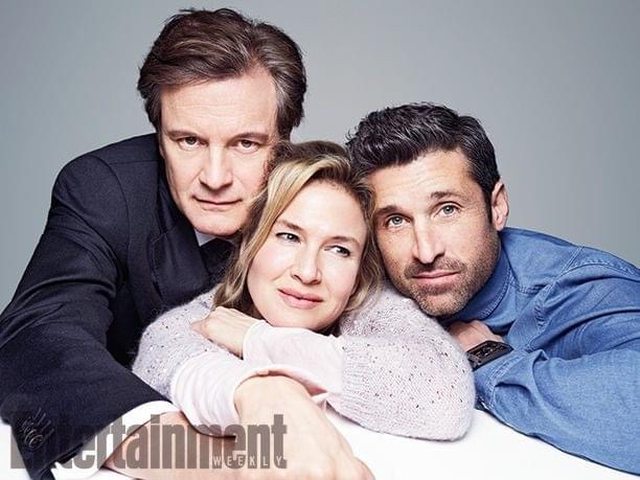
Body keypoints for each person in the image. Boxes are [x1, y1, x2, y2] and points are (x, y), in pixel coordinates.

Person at [0, 8, 368, 480]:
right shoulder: (104, 190)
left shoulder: (323, 201)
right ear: (159, 138)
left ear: (284, 143)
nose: (215, 177)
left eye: (246, 144)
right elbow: (41, 335)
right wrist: (222, 451)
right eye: (189, 141)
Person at [345, 102, 640, 474]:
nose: (426, 251)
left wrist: (487, 358)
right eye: (396, 221)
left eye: (447, 209)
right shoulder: (359, 285)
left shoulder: (583, 287)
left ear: (496, 206)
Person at [132, 141, 474, 443]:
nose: (308, 272)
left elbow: (447, 399)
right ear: (250, 242)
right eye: (289, 237)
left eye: (339, 250)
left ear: (360, 270)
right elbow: (159, 357)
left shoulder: (368, 305)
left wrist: (259, 340)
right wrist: (257, 394)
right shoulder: (198, 321)